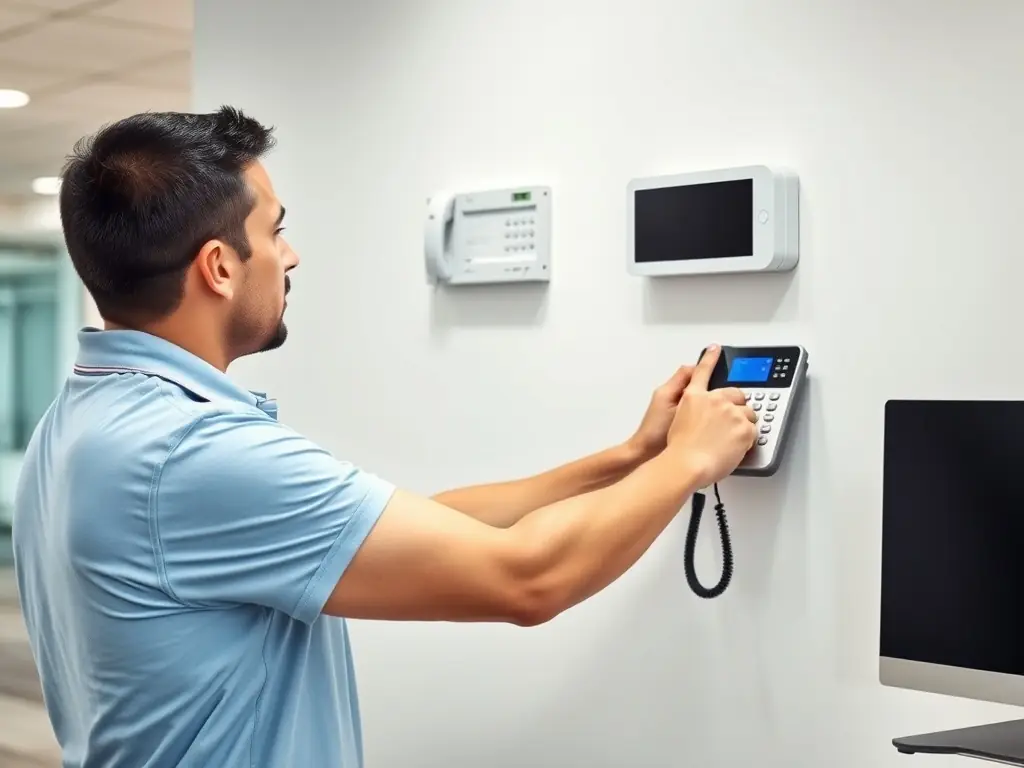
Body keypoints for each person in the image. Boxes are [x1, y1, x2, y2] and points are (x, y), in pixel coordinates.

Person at [12, 106, 758, 768]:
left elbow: (411, 524)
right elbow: (528, 579)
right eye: (275, 232)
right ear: (219, 267)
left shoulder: (86, 418)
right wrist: (689, 464)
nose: (291, 254)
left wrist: (630, 459)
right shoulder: (194, 451)